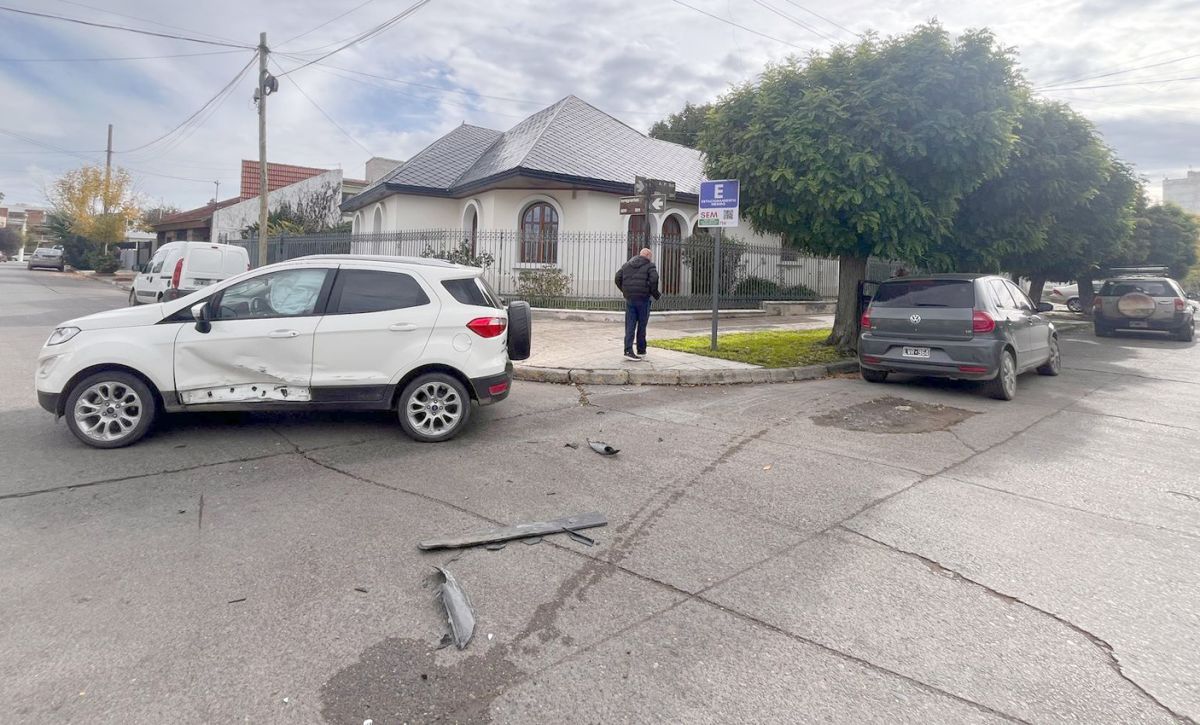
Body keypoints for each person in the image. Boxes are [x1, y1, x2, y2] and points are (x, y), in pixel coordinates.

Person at [614, 247, 661, 360]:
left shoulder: (627, 265)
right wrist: (655, 294)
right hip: (643, 299)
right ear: (648, 256)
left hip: (630, 299)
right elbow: (655, 279)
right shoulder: (650, 265)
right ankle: (641, 350)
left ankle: (628, 350)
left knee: (630, 325)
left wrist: (625, 291)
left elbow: (617, 278)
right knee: (642, 325)